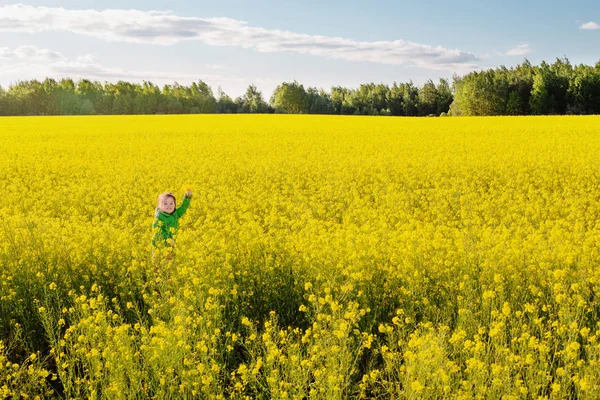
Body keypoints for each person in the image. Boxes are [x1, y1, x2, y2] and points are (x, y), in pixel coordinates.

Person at [151, 190, 193, 262]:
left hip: (172, 244)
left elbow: (183, 208)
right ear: (160, 206)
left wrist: (187, 197)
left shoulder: (175, 214)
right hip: (160, 245)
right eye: (165, 204)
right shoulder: (159, 217)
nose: (169, 206)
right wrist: (168, 240)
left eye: (171, 203)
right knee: (158, 264)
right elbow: (157, 231)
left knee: (170, 263)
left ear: (175, 205)